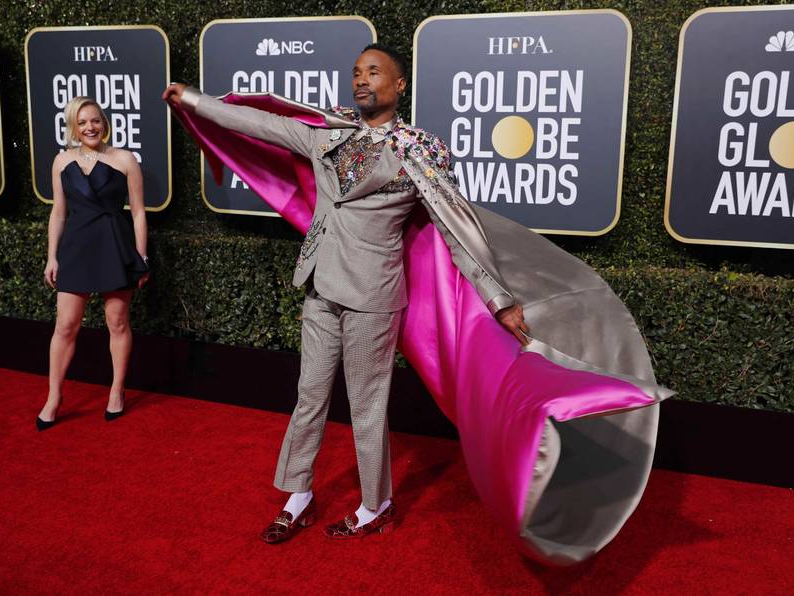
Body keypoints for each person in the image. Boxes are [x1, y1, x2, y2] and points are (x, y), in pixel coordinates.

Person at [164, 44, 528, 541]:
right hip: (320, 285)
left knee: (366, 405)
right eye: (357, 72)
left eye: (374, 72)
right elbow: (259, 123)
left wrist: (499, 300)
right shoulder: (329, 132)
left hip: (373, 296)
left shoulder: (420, 150)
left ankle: (376, 505)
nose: (361, 80)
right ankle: (298, 496)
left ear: (399, 85)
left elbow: (456, 227)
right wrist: (194, 100)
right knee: (309, 396)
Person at [36, 97, 149, 431]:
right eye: (83, 122)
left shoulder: (125, 159)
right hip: (76, 248)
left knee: (117, 322)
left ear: (104, 123)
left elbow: (138, 213)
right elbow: (58, 212)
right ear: (74, 126)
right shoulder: (61, 161)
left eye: (95, 120)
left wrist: (142, 257)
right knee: (65, 326)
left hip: (114, 246)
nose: (90, 127)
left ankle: (116, 391)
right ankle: (54, 397)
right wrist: (52, 255)